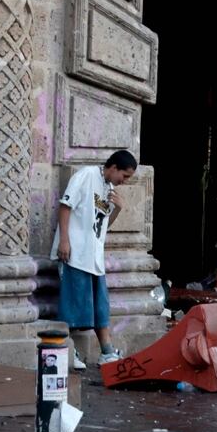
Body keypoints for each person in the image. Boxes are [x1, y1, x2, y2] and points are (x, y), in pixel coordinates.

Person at [52, 150, 137, 369]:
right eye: (124, 176)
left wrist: (118, 208)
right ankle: (67, 350)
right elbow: (65, 206)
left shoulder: (109, 189)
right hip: (75, 252)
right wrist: (64, 241)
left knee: (100, 306)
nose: (124, 182)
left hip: (94, 257)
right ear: (114, 167)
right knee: (72, 303)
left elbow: (104, 224)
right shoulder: (86, 175)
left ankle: (107, 352)